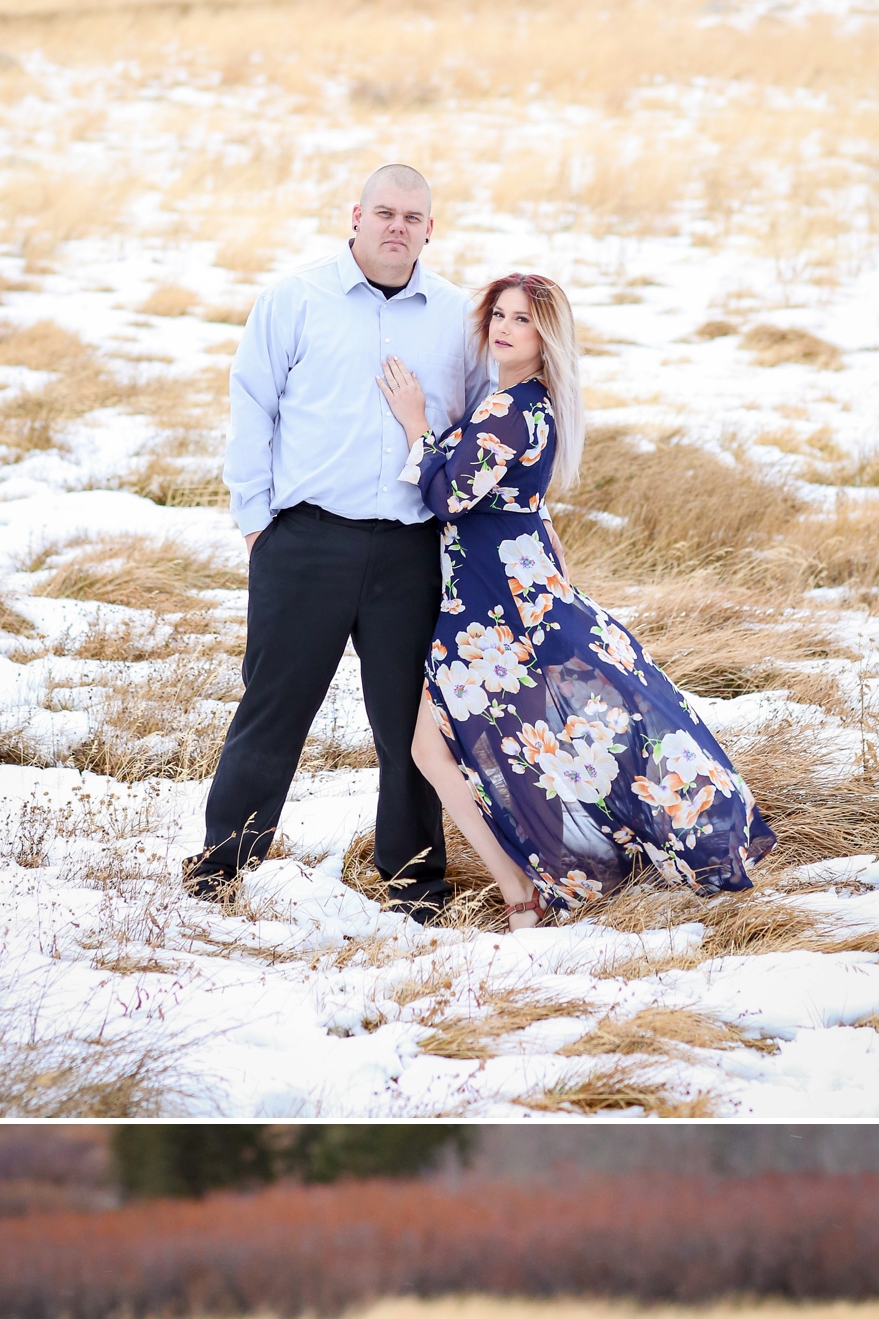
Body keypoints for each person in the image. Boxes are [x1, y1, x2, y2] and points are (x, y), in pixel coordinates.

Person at [378, 272, 775, 927]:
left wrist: (417, 422)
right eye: (499, 315)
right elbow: (496, 490)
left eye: (522, 320)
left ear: (547, 337)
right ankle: (539, 885)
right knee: (538, 742)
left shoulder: (512, 407)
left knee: (489, 744)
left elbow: (448, 498)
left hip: (499, 611)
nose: (504, 328)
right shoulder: (525, 402)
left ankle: (534, 889)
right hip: (503, 594)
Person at [182, 164, 486, 925]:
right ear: (355, 216)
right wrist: (257, 523)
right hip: (306, 542)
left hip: (411, 554)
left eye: (413, 217)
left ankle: (415, 886)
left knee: (409, 724)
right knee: (273, 710)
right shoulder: (296, 298)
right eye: (384, 212)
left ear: (430, 228)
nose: (397, 227)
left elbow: (479, 425)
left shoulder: (456, 318)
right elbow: (252, 404)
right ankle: (222, 867)